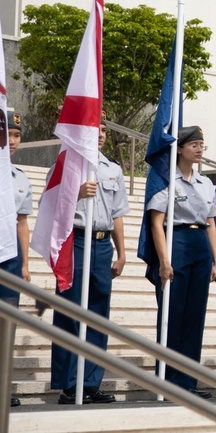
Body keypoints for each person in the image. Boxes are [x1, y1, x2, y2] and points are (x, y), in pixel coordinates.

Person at [50, 114, 128, 404]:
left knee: (98, 315)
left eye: (105, 129)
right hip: (75, 241)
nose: (102, 134)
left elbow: (117, 214)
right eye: (96, 128)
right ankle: (69, 384)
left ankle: (91, 382)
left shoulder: (112, 169)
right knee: (69, 312)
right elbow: (51, 206)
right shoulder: (67, 164)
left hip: (102, 244)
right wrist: (77, 194)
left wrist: (121, 253)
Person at [147, 125, 216, 397]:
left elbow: (211, 222)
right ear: (179, 149)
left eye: (202, 145)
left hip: (200, 243)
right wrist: (164, 261)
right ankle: (167, 381)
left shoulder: (206, 183)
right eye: (194, 145)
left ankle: (188, 382)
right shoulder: (166, 179)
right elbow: (156, 223)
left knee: (194, 317)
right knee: (173, 314)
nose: (199, 149)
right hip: (175, 242)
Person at [1, 111, 33, 408]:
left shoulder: (20, 178)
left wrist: (24, 264)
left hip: (10, 258)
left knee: (7, 324)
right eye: (7, 134)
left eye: (16, 135)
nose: (12, 141)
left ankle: (3, 386)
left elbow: (22, 223)